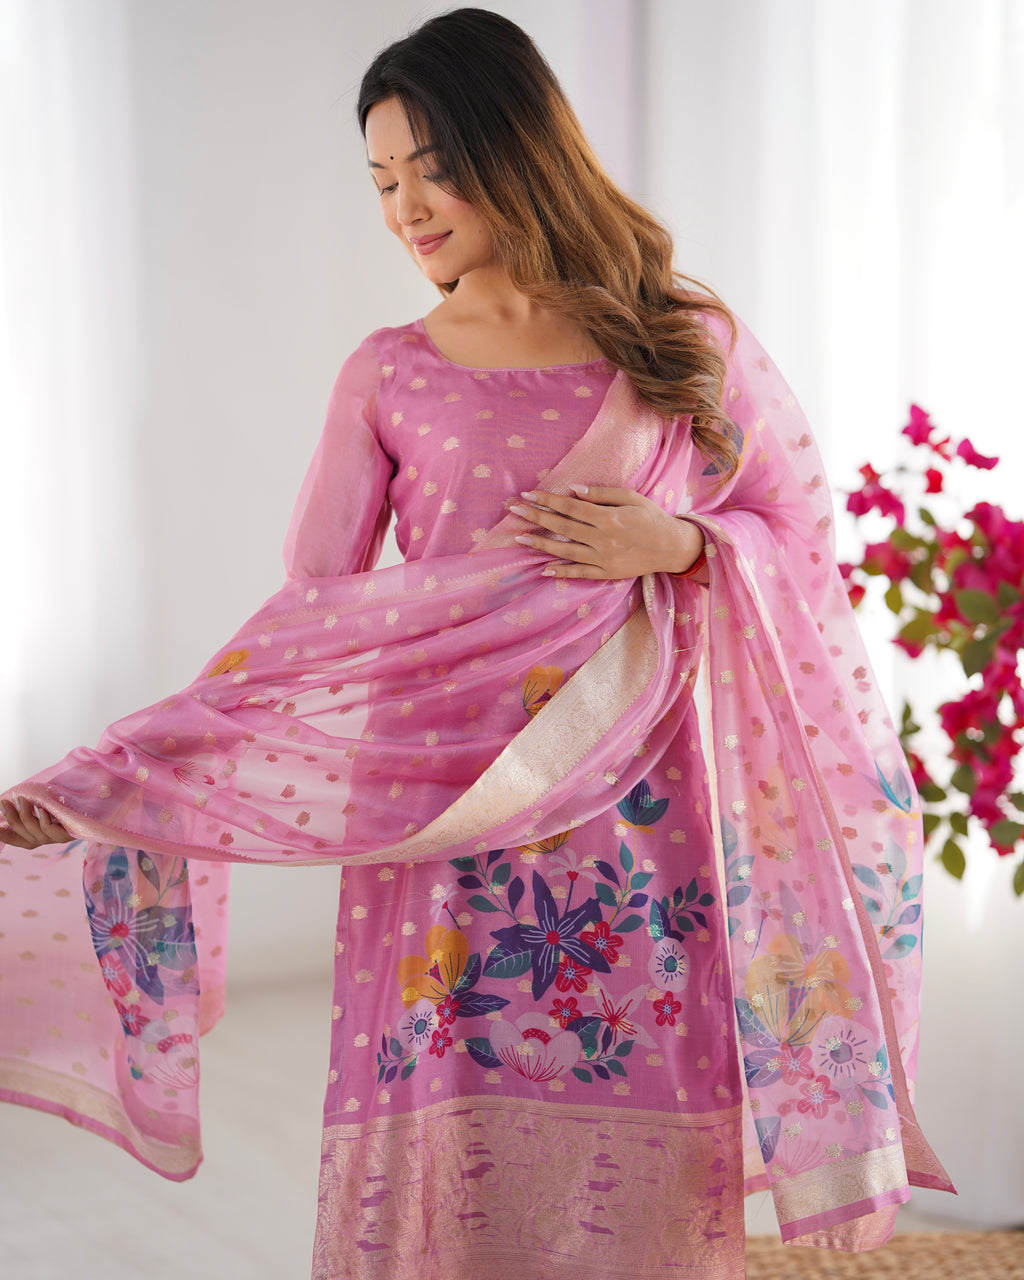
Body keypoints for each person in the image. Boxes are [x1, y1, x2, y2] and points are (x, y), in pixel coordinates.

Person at [0, 9, 952, 1279]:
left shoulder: (684, 345)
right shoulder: (389, 370)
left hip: (640, 810)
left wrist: (676, 546)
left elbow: (794, 532)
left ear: (513, 145)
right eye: (381, 179)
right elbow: (310, 624)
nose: (404, 207)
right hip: (448, 811)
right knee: (450, 1113)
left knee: (648, 1099)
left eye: (428, 166)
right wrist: (118, 775)